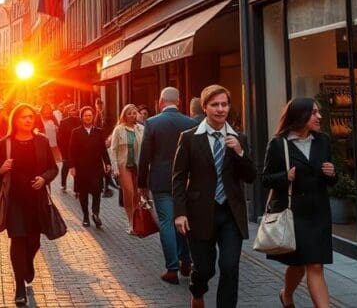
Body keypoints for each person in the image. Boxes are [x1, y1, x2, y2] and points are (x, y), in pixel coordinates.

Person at [173, 84, 256, 308]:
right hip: (199, 212)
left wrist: (239, 152)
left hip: (231, 214)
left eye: (224, 104)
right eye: (215, 105)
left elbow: (250, 176)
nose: (220, 109)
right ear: (205, 107)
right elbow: (179, 177)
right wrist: (179, 213)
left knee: (230, 267)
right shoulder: (189, 138)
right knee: (204, 269)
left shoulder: (239, 138)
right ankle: (197, 291)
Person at [263, 97, 336, 308]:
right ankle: (287, 295)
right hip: (294, 214)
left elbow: (329, 180)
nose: (319, 116)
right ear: (300, 115)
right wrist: (285, 176)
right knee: (301, 264)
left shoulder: (323, 140)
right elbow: (266, 179)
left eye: (318, 112)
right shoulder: (278, 144)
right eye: (314, 113)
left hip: (319, 212)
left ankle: (289, 295)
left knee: (314, 265)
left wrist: (332, 174)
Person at [0, 103, 59, 306]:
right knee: (18, 241)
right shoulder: (5, 143)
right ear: (15, 120)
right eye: (23, 117)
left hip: (36, 201)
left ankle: (28, 264)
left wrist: (44, 179)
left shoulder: (41, 142)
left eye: (31, 116)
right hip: (14, 201)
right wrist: (1, 169)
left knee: (34, 242)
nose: (28, 120)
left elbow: (53, 168)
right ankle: (20, 286)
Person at [137, 87, 197, 284]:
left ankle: (172, 269)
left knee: (166, 222)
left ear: (160, 101)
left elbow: (145, 155)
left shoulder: (152, 123)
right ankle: (186, 260)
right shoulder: (190, 122)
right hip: (186, 180)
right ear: (178, 102)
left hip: (161, 180)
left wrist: (142, 184)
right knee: (183, 219)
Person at [69, 106, 111, 228]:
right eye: (86, 115)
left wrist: (107, 163)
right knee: (83, 193)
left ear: (93, 117)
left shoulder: (98, 131)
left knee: (97, 191)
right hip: (81, 168)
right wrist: (72, 166)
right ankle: (86, 216)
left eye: (90, 115)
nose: (88, 117)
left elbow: (103, 150)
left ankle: (95, 213)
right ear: (81, 117)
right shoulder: (76, 132)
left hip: (96, 167)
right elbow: (71, 150)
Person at [110, 104, 144, 233]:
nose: (132, 116)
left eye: (134, 113)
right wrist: (115, 167)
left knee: (137, 194)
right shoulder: (119, 129)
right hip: (123, 165)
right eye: (129, 113)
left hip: (137, 165)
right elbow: (113, 150)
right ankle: (130, 222)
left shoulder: (141, 129)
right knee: (129, 192)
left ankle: (136, 222)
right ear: (124, 115)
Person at [58, 104, 79, 192]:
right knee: (66, 166)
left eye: (75, 110)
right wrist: (63, 153)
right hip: (66, 149)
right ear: (68, 111)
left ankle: (76, 187)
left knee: (77, 168)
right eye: (72, 110)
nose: (74, 111)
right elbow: (60, 138)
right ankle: (63, 184)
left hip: (78, 149)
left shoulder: (80, 120)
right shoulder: (63, 122)